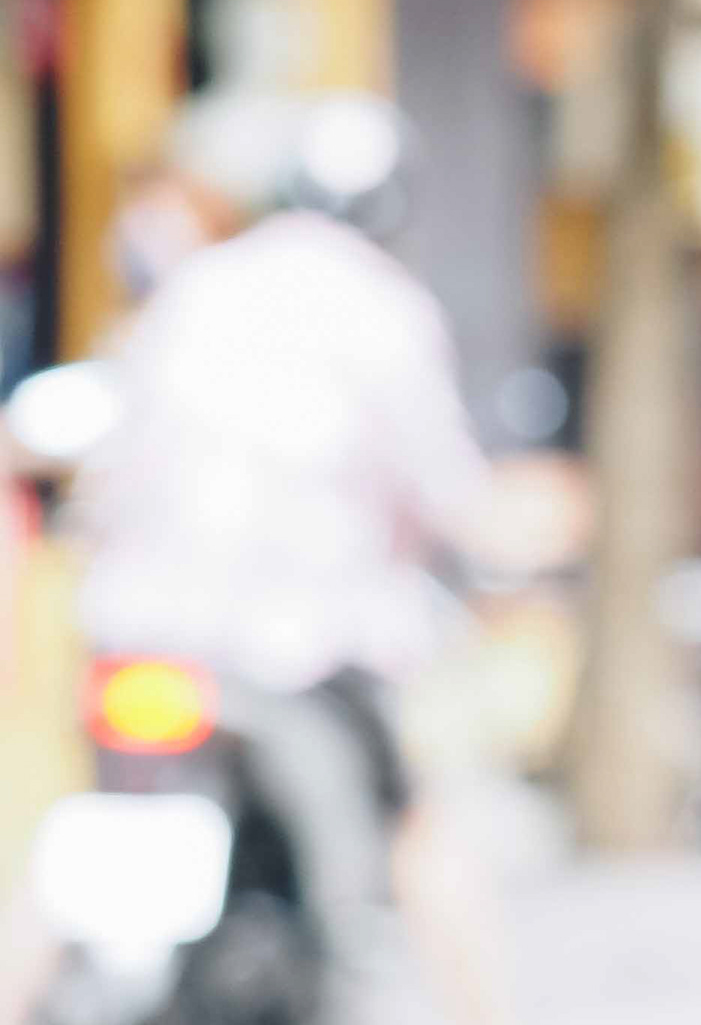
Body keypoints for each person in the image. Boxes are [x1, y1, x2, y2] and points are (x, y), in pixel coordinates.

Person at [69, 89, 510, 1025]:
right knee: (416, 832)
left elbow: (115, 460)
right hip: (308, 648)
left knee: (58, 875)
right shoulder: (386, 312)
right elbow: (441, 485)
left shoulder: (201, 287)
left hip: (149, 632)